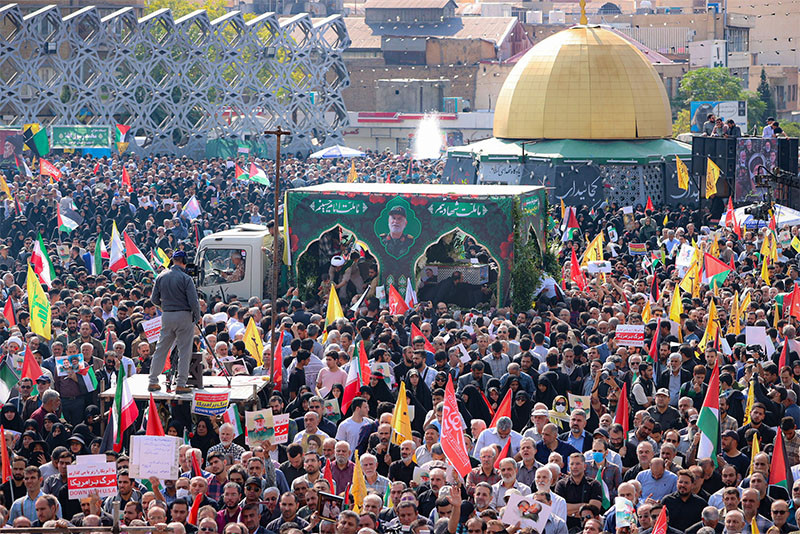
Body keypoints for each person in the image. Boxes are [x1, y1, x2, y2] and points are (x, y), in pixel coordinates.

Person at [148, 250, 202, 394]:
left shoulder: (161, 276)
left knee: (161, 348)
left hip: (167, 315)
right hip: (184, 316)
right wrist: (197, 317)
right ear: (184, 261)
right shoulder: (186, 278)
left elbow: (153, 299)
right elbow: (193, 301)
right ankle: (181, 383)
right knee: (184, 350)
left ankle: (153, 381)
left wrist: (164, 307)